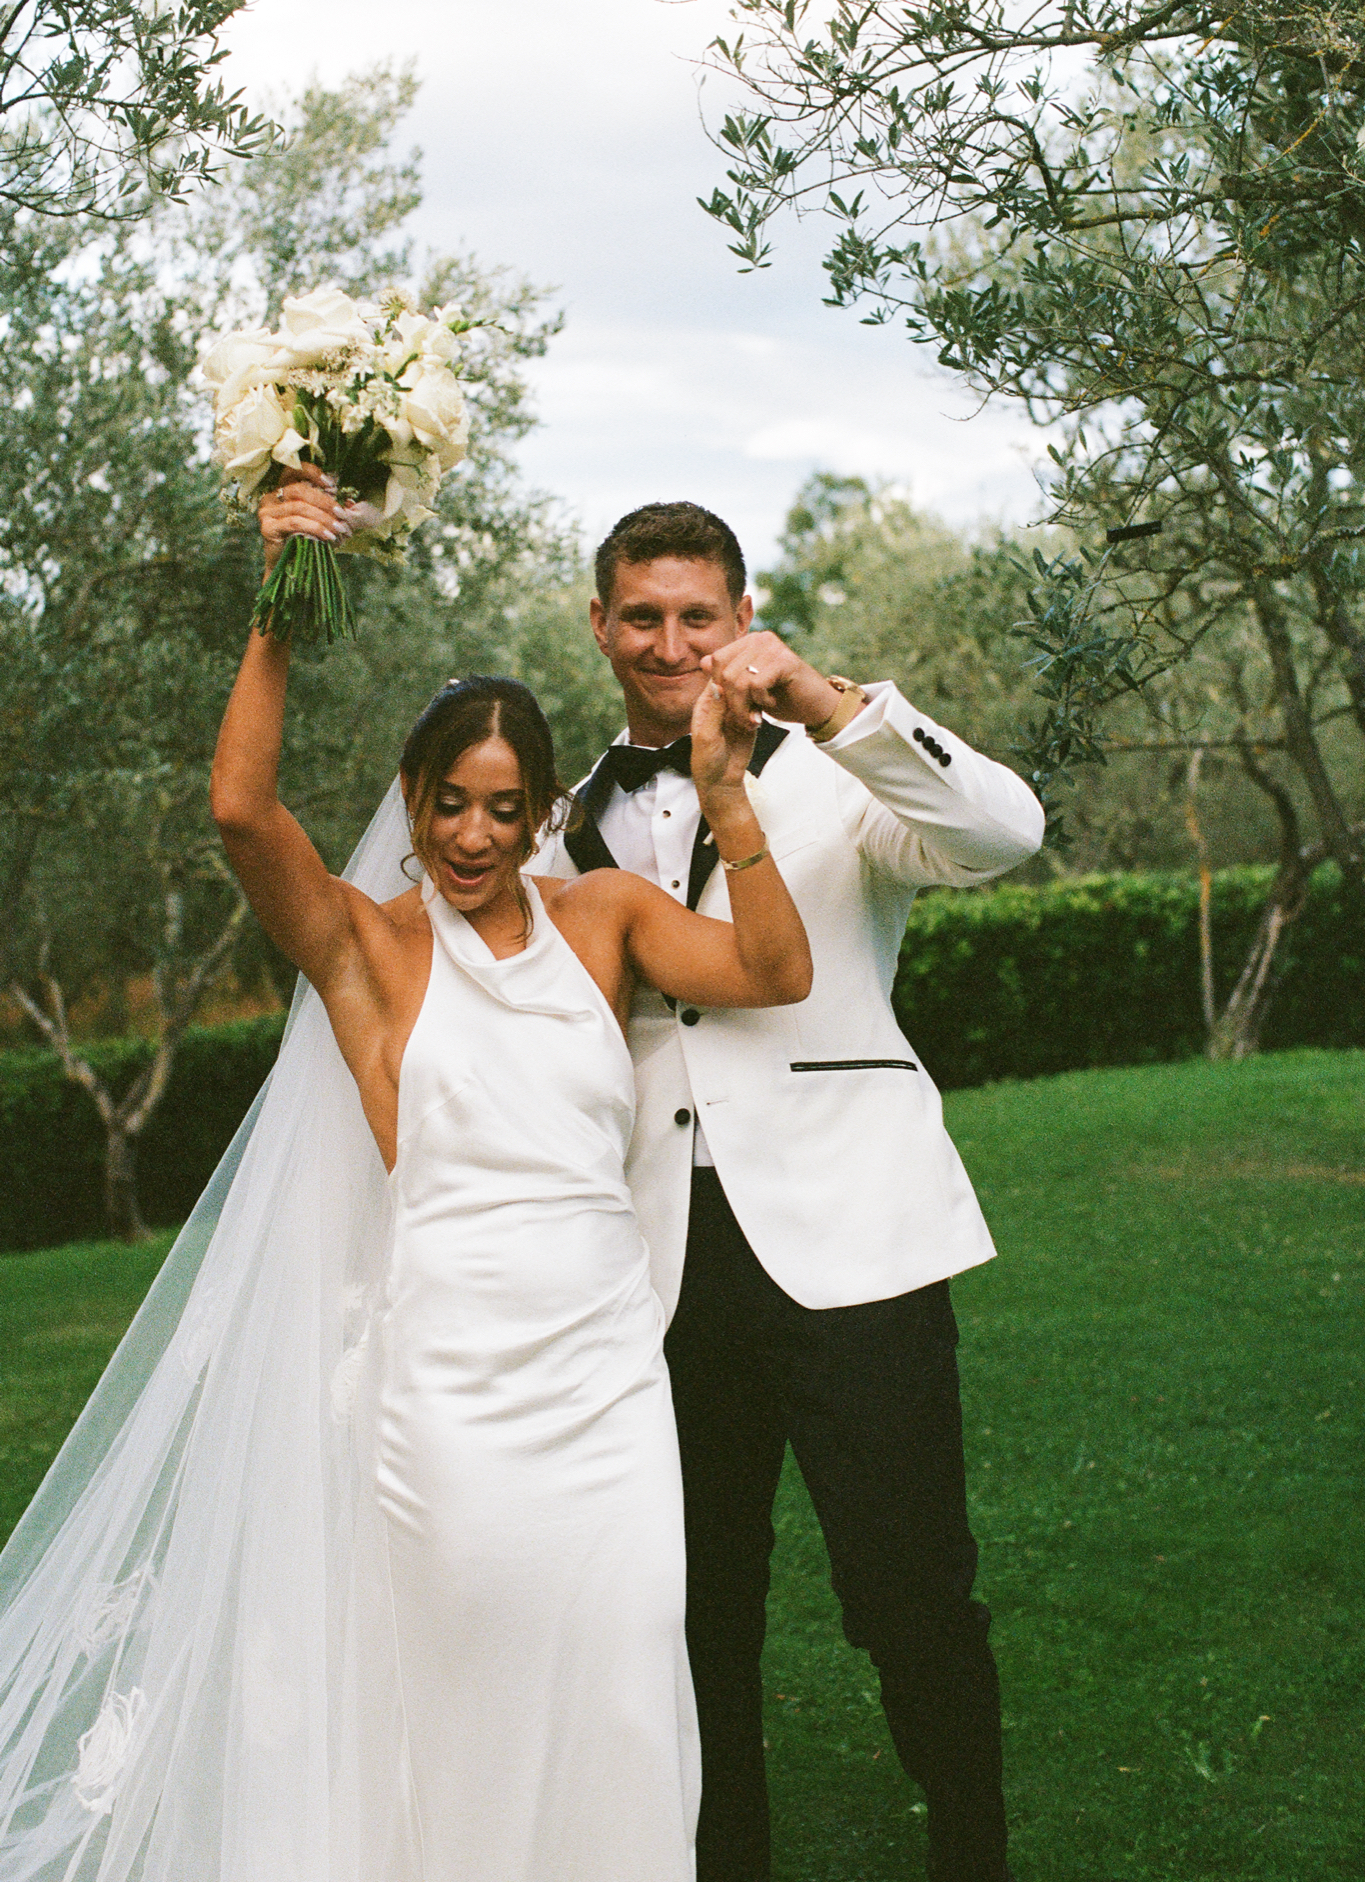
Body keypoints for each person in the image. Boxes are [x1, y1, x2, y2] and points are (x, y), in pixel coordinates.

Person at [0, 485, 811, 1882]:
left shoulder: (606, 920)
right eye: (450, 805)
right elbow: (241, 810)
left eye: (504, 808)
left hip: (611, 1381)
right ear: (415, 804)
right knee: (472, 1697)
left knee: (624, 1682)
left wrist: (730, 798)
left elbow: (774, 971)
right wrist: (280, 604)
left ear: (544, 812)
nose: (474, 837)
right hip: (451, 1392)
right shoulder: (366, 952)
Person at [529, 499, 1045, 1882]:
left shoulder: (841, 775)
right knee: (695, 1610)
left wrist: (829, 703)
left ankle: (975, 1860)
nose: (670, 643)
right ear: (600, 625)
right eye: (643, 616)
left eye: (698, 616)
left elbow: (1007, 831)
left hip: (854, 1243)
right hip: (653, 1268)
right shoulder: (557, 823)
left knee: (910, 1593)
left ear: (744, 619)